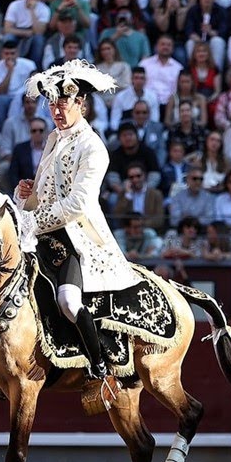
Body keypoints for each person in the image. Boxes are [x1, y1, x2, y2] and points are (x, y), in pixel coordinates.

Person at [17, 59, 142, 379]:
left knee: (69, 301)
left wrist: (33, 222)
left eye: (63, 104)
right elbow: (41, 197)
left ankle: (98, 362)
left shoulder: (94, 147)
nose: (56, 111)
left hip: (76, 238)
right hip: (43, 235)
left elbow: (77, 204)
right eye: (52, 105)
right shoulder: (53, 139)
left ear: (81, 104)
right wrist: (25, 197)